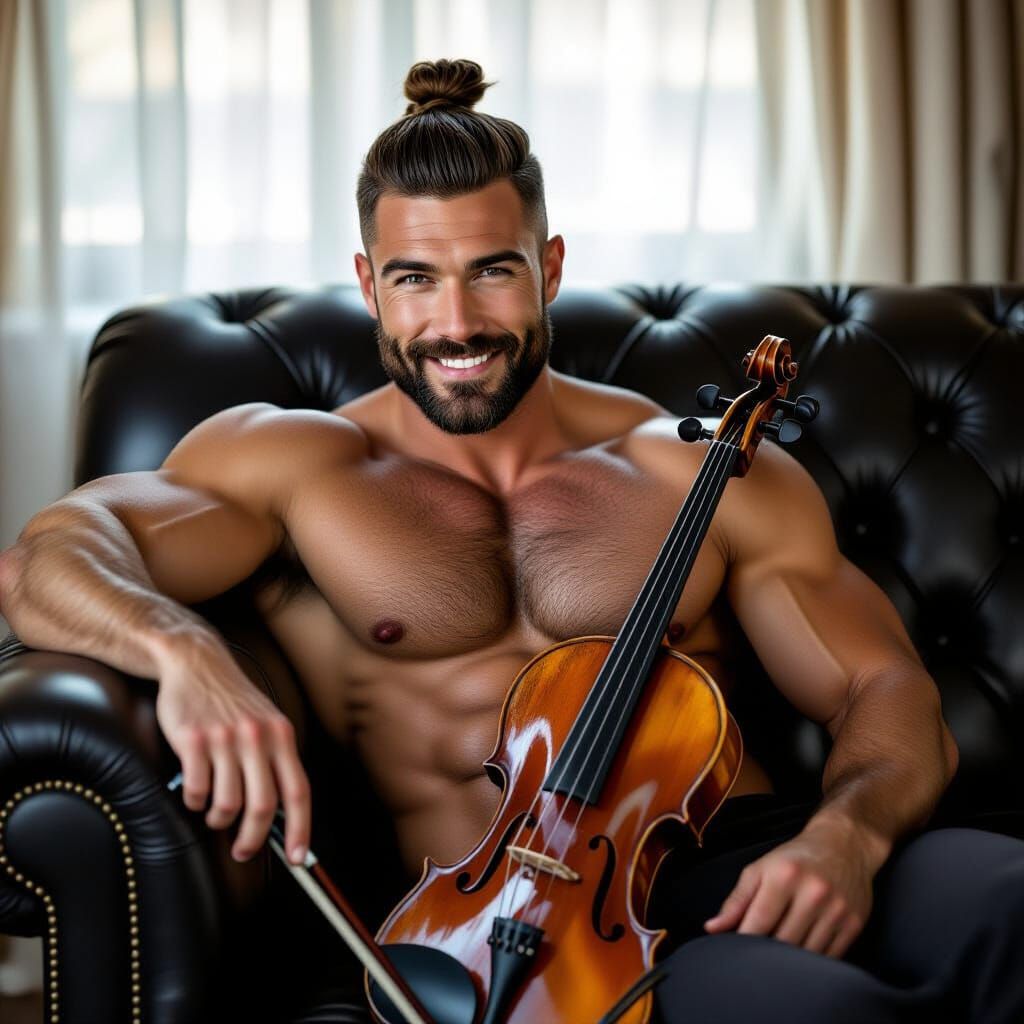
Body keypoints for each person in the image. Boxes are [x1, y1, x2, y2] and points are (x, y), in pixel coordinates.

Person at [1, 58, 1022, 1024]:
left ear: (550, 266)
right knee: (809, 1009)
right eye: (414, 280)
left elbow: (884, 690)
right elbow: (52, 552)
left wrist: (845, 836)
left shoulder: (690, 466)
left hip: (752, 854)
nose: (456, 322)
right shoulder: (298, 467)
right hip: (514, 933)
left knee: (1008, 897)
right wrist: (181, 655)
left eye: (492, 271)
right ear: (368, 285)